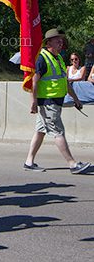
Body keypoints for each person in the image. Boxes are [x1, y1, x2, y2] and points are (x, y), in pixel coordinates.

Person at [24, 28, 91, 174]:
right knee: (58, 131)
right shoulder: (42, 58)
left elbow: (65, 82)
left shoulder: (59, 58)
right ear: (49, 42)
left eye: (61, 41)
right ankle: (72, 164)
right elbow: (34, 82)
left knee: (40, 131)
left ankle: (29, 162)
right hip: (47, 102)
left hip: (55, 101)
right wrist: (33, 101)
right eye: (57, 40)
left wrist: (76, 98)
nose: (61, 43)